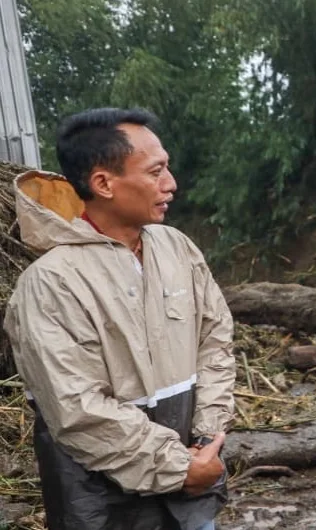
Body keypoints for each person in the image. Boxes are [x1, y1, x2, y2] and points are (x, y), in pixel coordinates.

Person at [4, 108, 236, 530]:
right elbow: (77, 410)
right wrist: (179, 468)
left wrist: (207, 438)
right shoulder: (51, 283)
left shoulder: (176, 249)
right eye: (156, 172)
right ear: (104, 183)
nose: (171, 184)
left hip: (191, 496)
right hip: (104, 507)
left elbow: (215, 340)